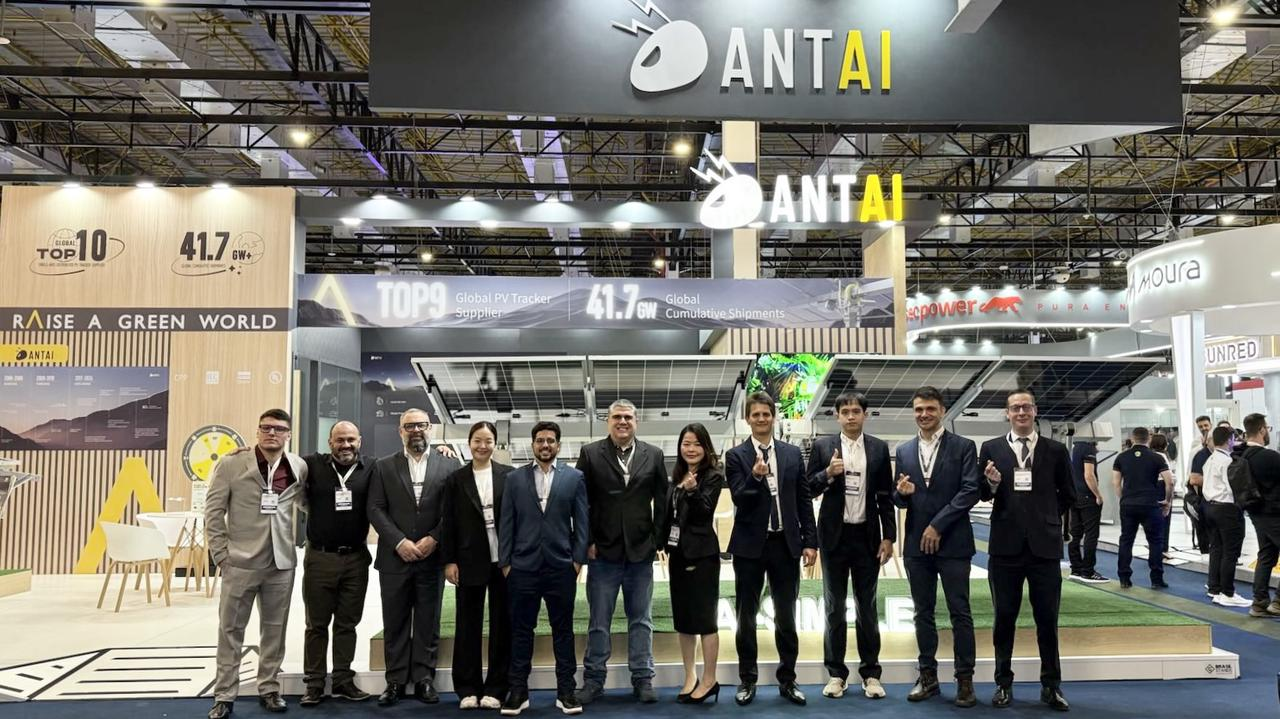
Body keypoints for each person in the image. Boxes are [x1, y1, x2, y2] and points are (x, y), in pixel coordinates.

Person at [205, 409, 309, 719]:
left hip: (281, 563)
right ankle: (224, 695)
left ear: (288, 434)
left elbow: (305, 502)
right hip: (240, 562)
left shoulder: (298, 466)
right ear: (258, 431)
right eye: (266, 428)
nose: (272, 433)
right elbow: (213, 511)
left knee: (274, 632)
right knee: (230, 630)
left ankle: (269, 688)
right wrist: (221, 555)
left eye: (279, 429)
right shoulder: (231, 464)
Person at [978, 389, 1075, 712]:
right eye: (1015, 408)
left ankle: (1051, 686)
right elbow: (982, 493)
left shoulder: (1055, 450)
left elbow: (1068, 494)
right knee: (1004, 618)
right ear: (1007, 414)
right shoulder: (991, 449)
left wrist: (1046, 517)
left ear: (1035, 411)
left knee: (1047, 619)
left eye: (1026, 407)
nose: (1021, 412)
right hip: (1005, 547)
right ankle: (1003, 683)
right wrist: (992, 484)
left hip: (1044, 548)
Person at [726, 392, 817, 707]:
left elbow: (803, 499)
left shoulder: (792, 454)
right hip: (749, 546)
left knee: (786, 616)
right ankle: (747, 679)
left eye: (766, 414)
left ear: (773, 417)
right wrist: (755, 477)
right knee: (746, 616)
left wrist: (810, 541)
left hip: (785, 544)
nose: (762, 419)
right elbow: (739, 497)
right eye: (756, 414)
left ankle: (788, 679)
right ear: (747, 419)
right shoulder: (736, 456)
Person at [367, 409, 462, 706]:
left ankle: (424, 679)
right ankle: (395, 681)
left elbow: (455, 509)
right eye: (409, 426)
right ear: (400, 432)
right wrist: (399, 542)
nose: (416, 430)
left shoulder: (450, 464)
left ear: (430, 428)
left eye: (421, 425)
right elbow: (375, 508)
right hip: (395, 558)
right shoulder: (383, 466)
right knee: (394, 621)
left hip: (432, 558)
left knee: (427, 621)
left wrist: (435, 538)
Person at [803, 392, 894, 701]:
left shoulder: (879, 448)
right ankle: (836, 674)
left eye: (856, 411)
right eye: (845, 412)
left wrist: (888, 536)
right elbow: (808, 488)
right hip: (834, 537)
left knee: (867, 607)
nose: (851, 416)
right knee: (834, 607)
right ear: (837, 416)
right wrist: (827, 473)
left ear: (865, 414)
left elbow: (885, 497)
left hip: (867, 537)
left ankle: (871, 673)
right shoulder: (823, 447)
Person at [892, 386, 979, 708]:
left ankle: (964, 680)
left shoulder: (964, 447)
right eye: (919, 409)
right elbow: (898, 496)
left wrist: (938, 525)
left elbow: (970, 490)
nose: (924, 414)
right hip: (917, 545)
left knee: (960, 612)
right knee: (922, 613)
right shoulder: (903, 450)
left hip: (953, 542)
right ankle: (927, 676)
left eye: (930, 409)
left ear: (942, 410)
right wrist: (902, 494)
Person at [576, 399, 667, 705]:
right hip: (602, 552)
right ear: (608, 421)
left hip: (641, 553)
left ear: (636, 421)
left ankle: (643, 678)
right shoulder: (590, 453)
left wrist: (656, 540)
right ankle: (593, 680)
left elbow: (662, 501)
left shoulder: (654, 455)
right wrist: (587, 540)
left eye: (628, 417)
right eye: (617, 417)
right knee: (599, 621)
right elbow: (581, 502)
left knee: (641, 620)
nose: (623, 421)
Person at [499, 422, 589, 716]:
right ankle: (518, 692)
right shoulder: (514, 479)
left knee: (563, 631)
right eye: (540, 440)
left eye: (550, 440)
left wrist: (577, 561)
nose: (545, 445)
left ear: (558, 445)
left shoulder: (574, 478)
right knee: (521, 631)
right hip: (521, 568)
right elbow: (506, 523)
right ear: (533, 445)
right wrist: (506, 564)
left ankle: (566, 692)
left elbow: (582, 522)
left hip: (561, 567)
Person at [300, 421, 374, 707]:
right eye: (340, 440)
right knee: (316, 625)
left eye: (351, 440)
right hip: (320, 558)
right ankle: (314, 684)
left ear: (360, 441)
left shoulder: (371, 468)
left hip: (356, 559)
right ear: (330, 442)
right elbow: (279, 460)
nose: (346, 445)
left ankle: (343, 680)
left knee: (347, 623)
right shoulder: (311, 465)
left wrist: (443, 451)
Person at [443, 422, 515, 709]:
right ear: (469, 443)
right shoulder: (456, 479)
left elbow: (517, 519)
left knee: (502, 625)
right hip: (468, 560)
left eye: (488, 441)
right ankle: (467, 688)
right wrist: (449, 560)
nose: (482, 446)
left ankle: (497, 688)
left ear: (495, 444)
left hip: (504, 563)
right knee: (467, 625)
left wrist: (514, 559)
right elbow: (448, 521)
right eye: (477, 441)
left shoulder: (509, 476)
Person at [657, 423, 725, 705]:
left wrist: (694, 491)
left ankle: (710, 679)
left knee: (705, 621)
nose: (691, 449)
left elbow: (705, 511)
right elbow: (668, 515)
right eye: (686, 443)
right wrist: (659, 543)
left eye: (697, 444)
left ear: (706, 447)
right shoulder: (675, 477)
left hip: (702, 556)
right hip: (678, 555)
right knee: (684, 621)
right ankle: (690, 676)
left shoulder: (713, 475)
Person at [1112, 427, 1174, 589]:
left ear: (1132, 439)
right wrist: (1167, 501)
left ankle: (1124, 578)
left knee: (1126, 540)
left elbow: (1116, 483)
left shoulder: (1121, 457)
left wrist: (1123, 499)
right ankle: (1156, 579)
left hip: (1128, 504)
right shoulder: (1157, 457)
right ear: (1149, 439)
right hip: (1150, 504)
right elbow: (1169, 481)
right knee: (1155, 541)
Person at [1197, 427, 1251, 607]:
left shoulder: (1210, 459)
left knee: (1216, 549)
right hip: (1226, 509)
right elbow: (1232, 487)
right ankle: (1227, 593)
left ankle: (1214, 588)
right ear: (1229, 440)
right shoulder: (1228, 461)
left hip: (1210, 507)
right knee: (1230, 552)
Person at [1237, 413, 1280, 618]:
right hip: (1275, 513)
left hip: (1256, 513)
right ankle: (1277, 603)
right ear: (1262, 430)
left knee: (1267, 555)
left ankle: (1260, 602)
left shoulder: (1241, 456)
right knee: (1266, 555)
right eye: (1267, 428)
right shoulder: (1270, 457)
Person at [1066, 440, 1107, 583]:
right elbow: (1088, 475)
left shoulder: (1072, 448)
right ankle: (1088, 571)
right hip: (1087, 496)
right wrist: (1098, 495)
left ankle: (1076, 568)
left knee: (1075, 534)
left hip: (1074, 495)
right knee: (1091, 534)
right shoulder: (1088, 449)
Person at [1150, 433, 1177, 559]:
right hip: (1161, 487)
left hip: (1152, 488)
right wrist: (1168, 499)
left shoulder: (1150, 456)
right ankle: (1163, 549)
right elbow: (1169, 479)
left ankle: (1155, 548)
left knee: (1154, 521)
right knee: (1164, 519)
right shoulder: (1162, 457)